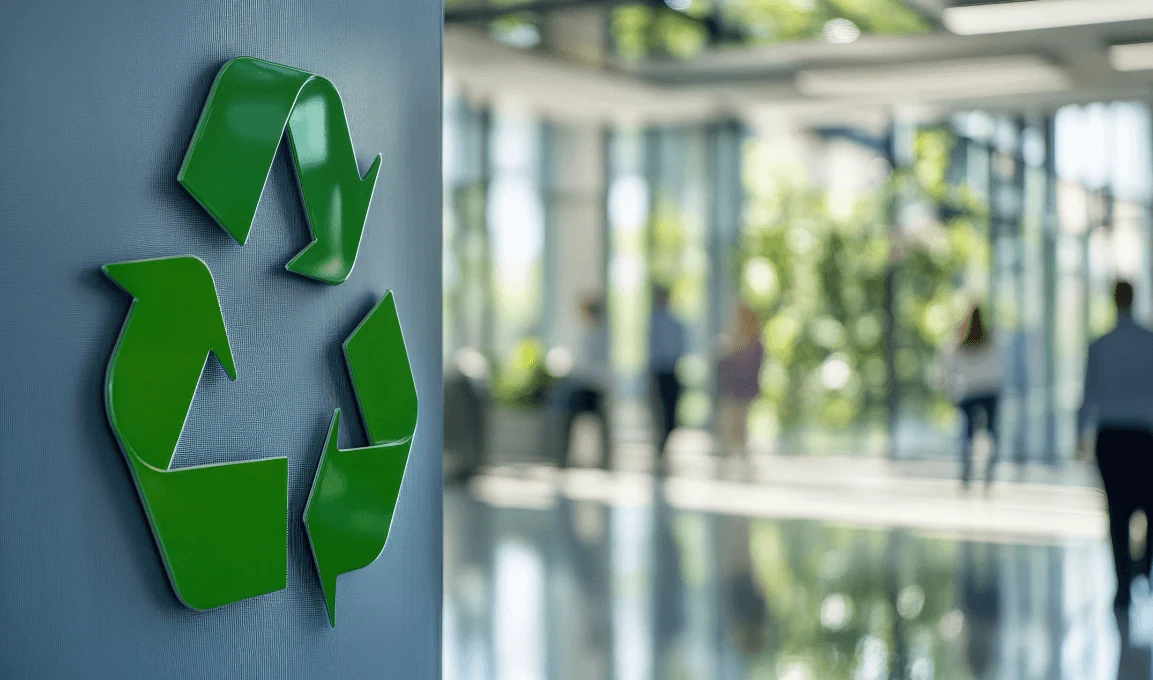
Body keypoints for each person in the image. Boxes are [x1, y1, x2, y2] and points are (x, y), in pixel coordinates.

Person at [1078, 281, 1153, 609]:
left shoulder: (1100, 345)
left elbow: (1087, 397)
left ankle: (1124, 582)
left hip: (1111, 440)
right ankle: (1143, 567)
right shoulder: (1149, 343)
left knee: (1118, 512)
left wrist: (1079, 435)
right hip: (1145, 438)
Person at [944, 305, 1002, 488]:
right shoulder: (991, 339)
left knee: (968, 436)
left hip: (969, 392)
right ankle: (988, 471)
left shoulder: (961, 342)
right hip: (989, 391)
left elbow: (950, 367)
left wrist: (951, 390)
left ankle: (967, 471)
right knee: (991, 434)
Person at [554, 295, 611, 468]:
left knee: (570, 418)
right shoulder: (594, 334)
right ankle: (565, 457)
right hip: (591, 385)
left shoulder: (596, 335)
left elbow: (585, 365)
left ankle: (564, 457)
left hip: (589, 386)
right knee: (573, 421)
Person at [716, 303, 764, 467]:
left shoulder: (753, 343)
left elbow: (752, 366)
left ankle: (742, 457)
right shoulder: (733, 339)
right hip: (732, 389)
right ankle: (732, 457)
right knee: (729, 424)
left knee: (739, 424)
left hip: (744, 390)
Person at [648, 285, 688, 468]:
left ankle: (666, 438)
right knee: (658, 409)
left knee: (671, 410)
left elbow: (680, 348)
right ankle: (660, 442)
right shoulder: (652, 321)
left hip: (672, 371)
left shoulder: (676, 323)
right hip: (657, 371)